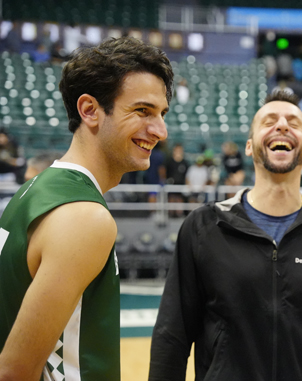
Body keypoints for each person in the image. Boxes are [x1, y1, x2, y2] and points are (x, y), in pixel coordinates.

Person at [149, 91, 302, 380]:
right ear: (249, 146)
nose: (282, 126)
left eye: (294, 122)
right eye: (269, 121)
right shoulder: (203, 227)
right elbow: (172, 337)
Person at [0, 36, 173, 380]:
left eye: (162, 114)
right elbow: (14, 371)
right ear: (90, 110)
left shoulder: (36, 189)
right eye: (142, 111)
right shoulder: (84, 217)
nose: (160, 130)